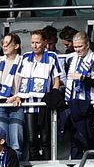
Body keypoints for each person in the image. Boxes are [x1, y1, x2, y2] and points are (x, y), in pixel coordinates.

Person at [17, 28, 64, 160]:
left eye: (37, 42)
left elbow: (56, 79)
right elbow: (19, 78)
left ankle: (47, 164)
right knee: (32, 139)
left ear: (44, 42)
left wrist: (54, 94)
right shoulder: (26, 57)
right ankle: (34, 165)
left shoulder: (52, 57)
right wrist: (17, 95)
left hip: (44, 103)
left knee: (45, 138)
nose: (35, 45)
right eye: (32, 42)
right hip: (29, 103)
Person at [62, 30, 94, 157]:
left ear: (87, 45)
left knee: (87, 136)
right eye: (75, 47)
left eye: (80, 46)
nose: (77, 50)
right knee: (75, 138)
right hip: (71, 101)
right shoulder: (70, 58)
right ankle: (75, 162)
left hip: (88, 103)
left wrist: (82, 78)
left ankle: (91, 161)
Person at [0, 33, 26, 157]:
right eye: (3, 43)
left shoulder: (24, 63)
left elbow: (27, 84)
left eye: (8, 43)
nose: (4, 46)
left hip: (17, 104)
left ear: (16, 46)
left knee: (16, 139)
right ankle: (0, 166)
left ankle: (14, 166)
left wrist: (18, 96)